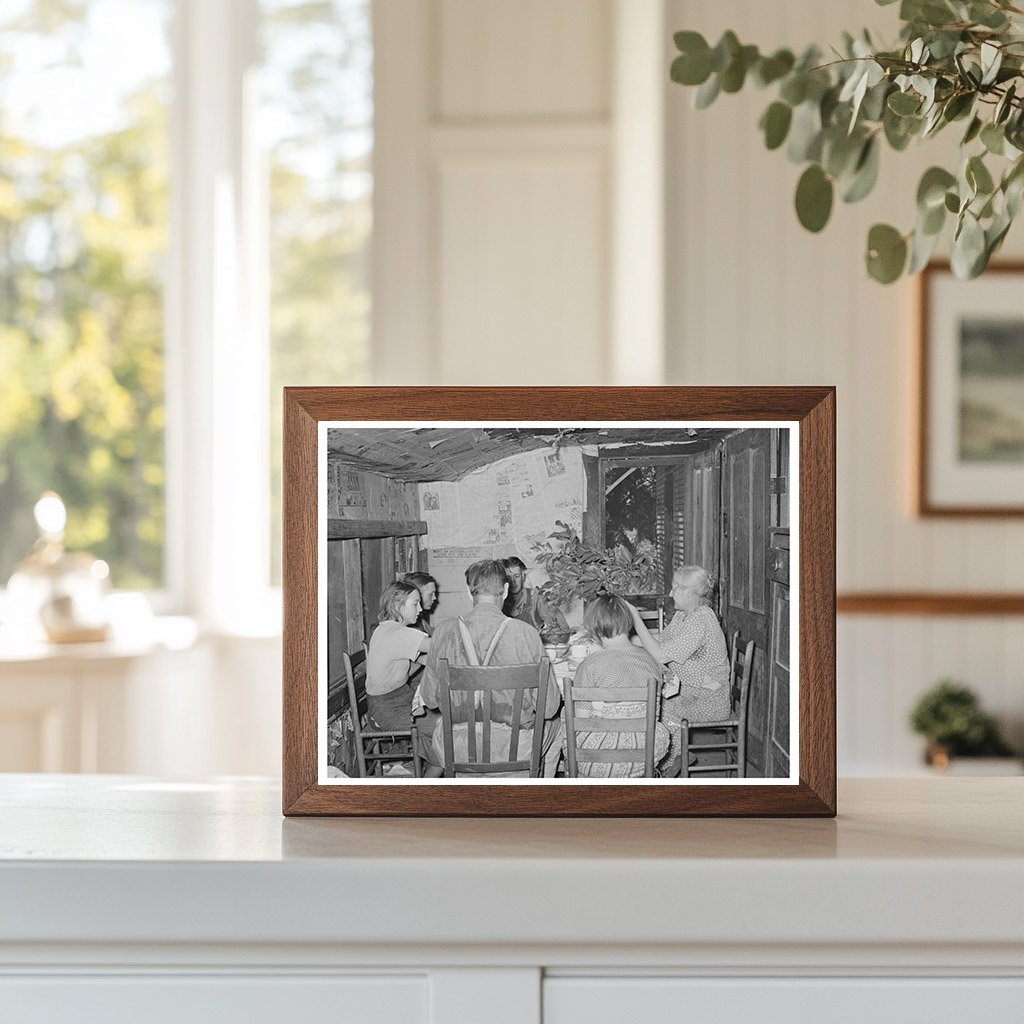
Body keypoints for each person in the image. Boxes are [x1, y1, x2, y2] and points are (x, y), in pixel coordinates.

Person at [420, 559, 563, 775]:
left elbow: (429, 699)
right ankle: (536, 793)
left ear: (469, 592)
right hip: (515, 750)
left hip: (458, 748)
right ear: (505, 590)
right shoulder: (526, 634)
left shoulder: (443, 631)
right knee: (556, 723)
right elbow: (550, 707)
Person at [627, 566, 731, 771]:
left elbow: (660, 654)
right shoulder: (683, 616)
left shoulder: (701, 620)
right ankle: (669, 758)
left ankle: (672, 764)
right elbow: (658, 643)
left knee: (656, 708)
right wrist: (621, 640)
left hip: (709, 698)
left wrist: (635, 619)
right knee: (649, 702)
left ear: (691, 593)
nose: (670, 593)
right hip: (691, 690)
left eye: (675, 588)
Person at [567, 595, 669, 778]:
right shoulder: (652, 661)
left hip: (599, 760)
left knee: (566, 717)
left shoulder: (589, 665)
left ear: (594, 628)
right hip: (646, 754)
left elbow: (582, 720)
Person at [365, 581, 430, 731]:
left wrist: (421, 661)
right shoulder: (397, 633)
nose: (420, 609)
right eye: (415, 604)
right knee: (444, 727)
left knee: (443, 722)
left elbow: (402, 673)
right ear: (397, 606)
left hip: (398, 699)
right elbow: (438, 645)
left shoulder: (385, 628)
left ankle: (429, 753)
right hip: (388, 709)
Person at [501, 555, 569, 638]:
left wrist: (548, 636)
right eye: (508, 578)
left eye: (516, 576)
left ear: (523, 576)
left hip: (533, 647)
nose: (513, 582)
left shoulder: (536, 597)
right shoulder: (499, 600)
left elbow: (561, 630)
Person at [402, 571, 439, 635]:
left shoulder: (419, 618)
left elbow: (434, 633)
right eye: (430, 594)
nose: (434, 598)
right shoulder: (410, 621)